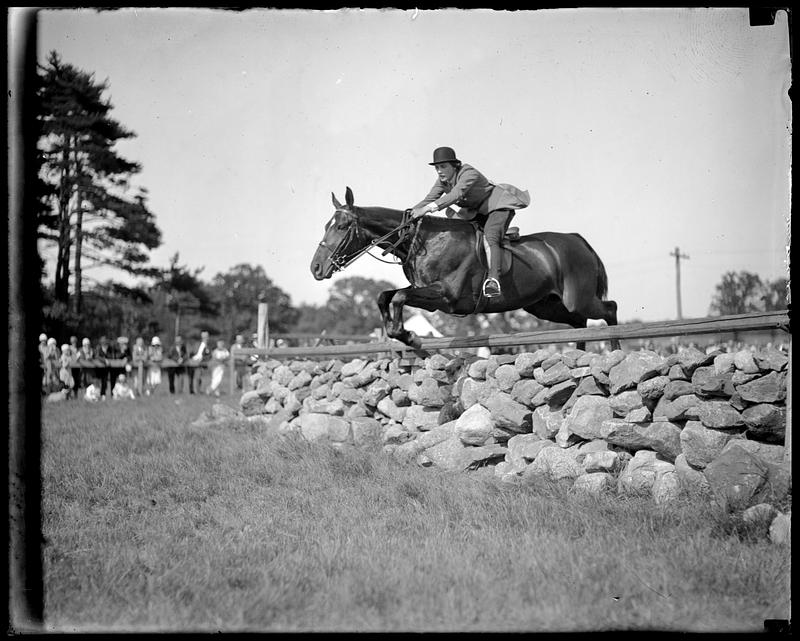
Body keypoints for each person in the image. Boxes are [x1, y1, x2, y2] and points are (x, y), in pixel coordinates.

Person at [409, 146, 530, 298]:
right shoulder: (442, 181)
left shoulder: (468, 173)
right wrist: (409, 214)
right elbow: (429, 198)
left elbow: (455, 194)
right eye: (437, 167)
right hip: (476, 212)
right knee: (452, 221)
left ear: (455, 166)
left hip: (497, 207)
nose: (439, 171)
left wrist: (426, 210)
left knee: (490, 236)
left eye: (443, 166)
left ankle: (493, 280)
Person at [95, 336, 115, 400]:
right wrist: (104, 360)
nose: (105, 344)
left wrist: (108, 360)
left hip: (109, 368)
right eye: (104, 343)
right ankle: (100, 394)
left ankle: (109, 394)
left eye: (106, 343)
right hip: (99, 368)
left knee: (109, 380)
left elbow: (112, 356)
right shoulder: (98, 348)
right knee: (101, 381)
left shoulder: (110, 348)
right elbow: (97, 356)